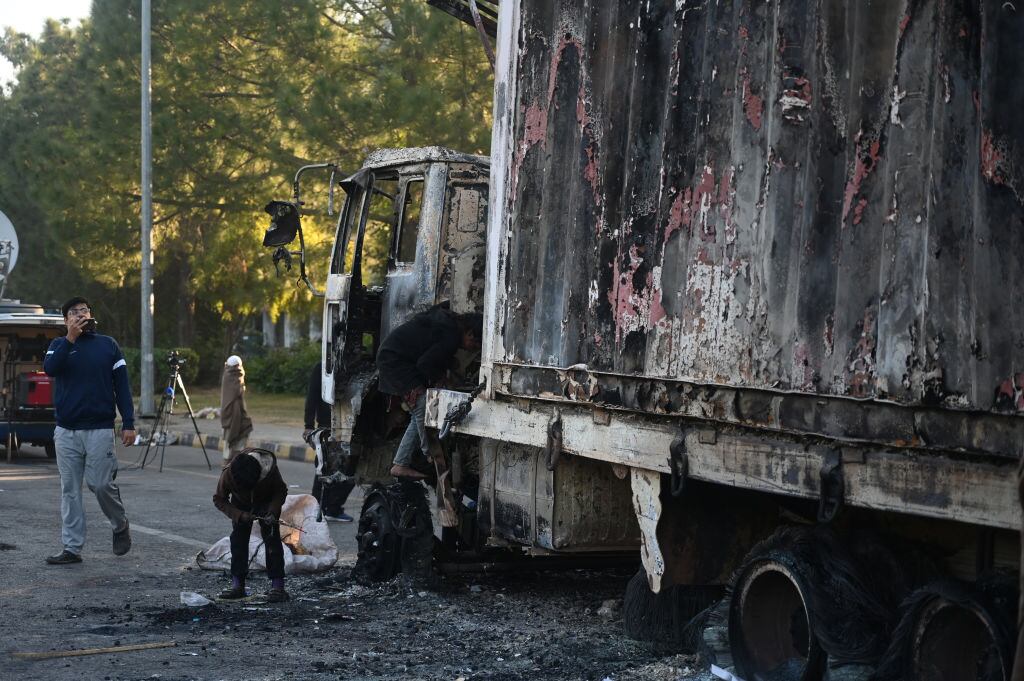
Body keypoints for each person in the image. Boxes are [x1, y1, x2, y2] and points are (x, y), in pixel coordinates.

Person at [42, 297, 135, 565]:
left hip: (99, 429)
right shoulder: (58, 345)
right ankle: (72, 548)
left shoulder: (108, 345)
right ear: (66, 320)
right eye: (74, 312)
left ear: (91, 315)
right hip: (66, 430)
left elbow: (123, 388)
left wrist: (128, 422)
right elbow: (51, 369)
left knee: (101, 484)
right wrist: (70, 338)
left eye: (84, 310)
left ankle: (120, 525)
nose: (81, 315)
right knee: (69, 489)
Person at [377, 305, 483, 479]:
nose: (472, 349)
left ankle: (400, 463)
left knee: (419, 410)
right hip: (395, 361)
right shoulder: (451, 336)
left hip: (393, 357)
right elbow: (425, 365)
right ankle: (429, 456)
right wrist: (441, 378)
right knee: (424, 406)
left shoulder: (449, 324)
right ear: (470, 333)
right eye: (475, 344)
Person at [212, 448, 289, 602]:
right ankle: (237, 585)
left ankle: (278, 587)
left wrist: (273, 512)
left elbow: (280, 490)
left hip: (266, 503)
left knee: (272, 540)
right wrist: (240, 515)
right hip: (240, 505)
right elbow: (219, 499)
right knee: (238, 542)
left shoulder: (270, 471)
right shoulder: (229, 474)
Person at [304, 361, 354, 522]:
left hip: (349, 425)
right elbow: (312, 396)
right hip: (328, 425)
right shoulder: (323, 367)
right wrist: (308, 425)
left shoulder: (353, 367)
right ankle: (315, 509)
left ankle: (333, 507)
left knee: (350, 469)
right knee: (324, 469)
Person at [220, 355, 252, 462]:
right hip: (232, 411)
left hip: (237, 410)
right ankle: (229, 458)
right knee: (232, 432)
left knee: (242, 430)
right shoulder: (231, 375)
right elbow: (236, 391)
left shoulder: (228, 373)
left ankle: (235, 456)